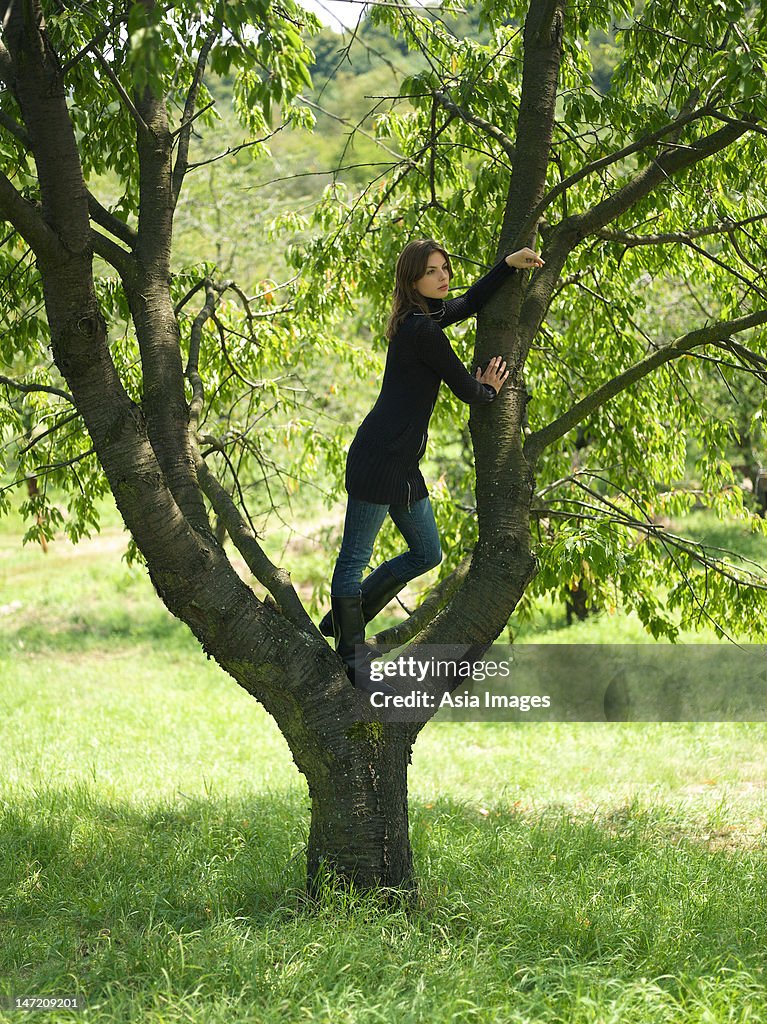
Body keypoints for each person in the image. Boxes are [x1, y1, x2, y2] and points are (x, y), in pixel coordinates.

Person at [319, 239, 545, 690]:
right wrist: (490, 390)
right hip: (379, 458)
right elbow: (468, 389)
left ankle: (348, 617)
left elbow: (470, 301)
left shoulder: (421, 318)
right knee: (353, 560)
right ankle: (351, 657)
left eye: (444, 267)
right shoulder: (420, 330)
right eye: (431, 271)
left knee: (427, 553)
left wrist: (506, 264)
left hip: (402, 465)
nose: (443, 276)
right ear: (412, 281)